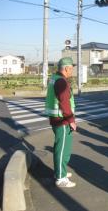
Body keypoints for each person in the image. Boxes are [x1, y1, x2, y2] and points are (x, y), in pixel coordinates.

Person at [45, 57, 76, 188]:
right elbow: (64, 102)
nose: (72, 71)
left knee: (62, 148)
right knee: (62, 149)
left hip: (56, 118)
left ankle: (60, 171)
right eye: (71, 68)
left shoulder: (54, 78)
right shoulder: (62, 82)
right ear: (66, 68)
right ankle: (60, 178)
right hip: (62, 120)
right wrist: (71, 120)